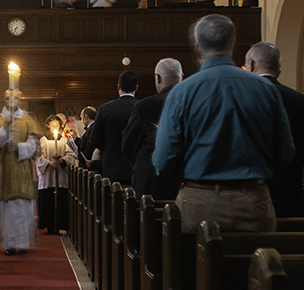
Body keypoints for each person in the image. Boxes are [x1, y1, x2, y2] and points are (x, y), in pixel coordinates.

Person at [152, 14, 295, 233]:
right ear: (235, 46)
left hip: (199, 202)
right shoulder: (266, 90)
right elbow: (285, 152)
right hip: (253, 200)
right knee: (260, 265)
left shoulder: (182, 92)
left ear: (197, 49)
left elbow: (163, 160)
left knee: (194, 266)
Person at [245, 42, 304, 217]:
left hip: (251, 194)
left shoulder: (244, 99)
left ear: (251, 64)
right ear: (279, 70)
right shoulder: (299, 100)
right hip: (291, 195)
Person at [122, 58, 183, 200]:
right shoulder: (195, 105)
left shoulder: (145, 106)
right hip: (185, 181)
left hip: (151, 181)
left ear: (158, 78)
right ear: (182, 78)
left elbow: (128, 143)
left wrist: (141, 163)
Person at [0, 89, 39, 256]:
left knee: (24, 208)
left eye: (15, 98)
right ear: (4, 99)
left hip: (23, 169)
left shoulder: (27, 120)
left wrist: (20, 147)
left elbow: (35, 146)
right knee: (9, 210)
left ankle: (23, 242)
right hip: (6, 171)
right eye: (9, 98)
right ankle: (10, 243)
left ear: (20, 99)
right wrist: (5, 127)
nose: (12, 100)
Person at [90, 71, 139, 184]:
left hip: (112, 167)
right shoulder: (142, 108)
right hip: (135, 168)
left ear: (118, 87)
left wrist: (108, 145)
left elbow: (95, 140)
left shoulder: (105, 109)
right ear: (136, 87)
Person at [37, 115, 76, 234]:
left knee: (61, 202)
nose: (55, 127)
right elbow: (38, 156)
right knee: (48, 202)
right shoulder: (43, 140)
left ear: (60, 126)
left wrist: (62, 161)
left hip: (60, 177)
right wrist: (49, 163)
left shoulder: (64, 140)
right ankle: (49, 226)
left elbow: (71, 155)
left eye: (57, 125)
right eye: (52, 125)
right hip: (48, 177)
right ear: (48, 126)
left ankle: (60, 225)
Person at [77, 106, 97, 170]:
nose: (81, 121)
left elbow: (89, 147)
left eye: (81, 118)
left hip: (88, 165)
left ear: (86, 117)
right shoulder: (92, 128)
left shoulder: (93, 129)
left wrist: (79, 157)